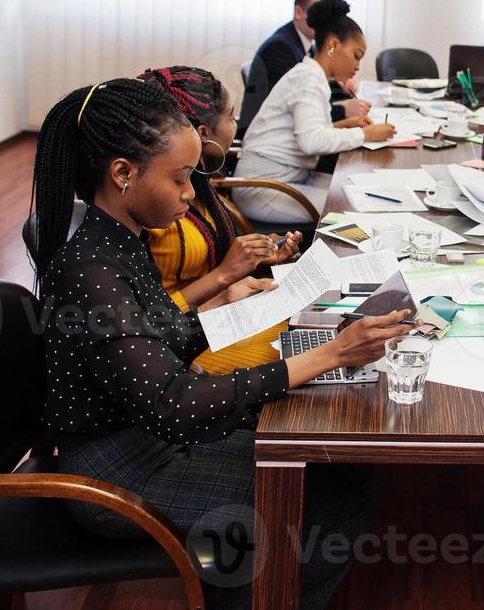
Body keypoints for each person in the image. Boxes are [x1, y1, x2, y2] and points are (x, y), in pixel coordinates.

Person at [31, 78, 412, 608]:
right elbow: (176, 405)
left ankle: (242, 575)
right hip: (118, 475)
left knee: (337, 458)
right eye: (182, 178)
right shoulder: (93, 270)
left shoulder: (118, 240)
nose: (191, 194)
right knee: (337, 518)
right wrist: (327, 355)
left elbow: (163, 334)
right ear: (123, 174)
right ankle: (248, 589)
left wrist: (248, 305)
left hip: (147, 436)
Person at [140, 66, 302, 372]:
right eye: (230, 117)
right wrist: (226, 276)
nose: (235, 124)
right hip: (184, 343)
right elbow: (149, 321)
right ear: (203, 134)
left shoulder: (200, 185)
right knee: (303, 349)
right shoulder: (158, 210)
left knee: (312, 328)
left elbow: (214, 268)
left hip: (216, 317)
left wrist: (259, 259)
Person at [233, 0, 395, 224]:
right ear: (333, 45)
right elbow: (311, 142)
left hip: (285, 179)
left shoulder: (311, 75)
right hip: (263, 188)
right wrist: (365, 135)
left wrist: (344, 125)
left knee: (357, 189)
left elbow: (305, 131)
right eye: (356, 56)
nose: (358, 66)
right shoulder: (308, 79)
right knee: (351, 207)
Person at [237, 0, 371, 138]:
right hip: (265, 137)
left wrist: (340, 86)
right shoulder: (279, 47)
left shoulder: (308, 45)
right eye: (319, 12)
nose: (328, 23)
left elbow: (309, 92)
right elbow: (295, 107)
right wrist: (344, 110)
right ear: (298, 12)